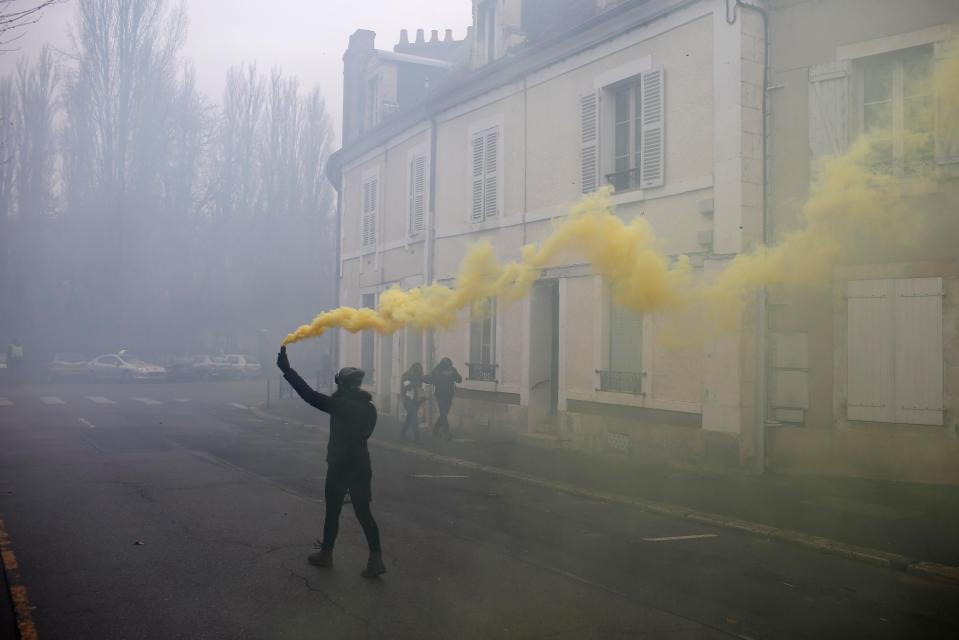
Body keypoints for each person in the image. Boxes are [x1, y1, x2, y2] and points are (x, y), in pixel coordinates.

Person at [276, 345, 385, 578]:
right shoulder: (370, 409)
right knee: (364, 513)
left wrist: (287, 370)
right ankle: (376, 558)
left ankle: (326, 554)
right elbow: (364, 435)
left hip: (339, 466)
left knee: (333, 511)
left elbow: (309, 395)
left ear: (342, 384)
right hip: (362, 466)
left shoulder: (340, 406)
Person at [424, 357, 462, 439]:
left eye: (449, 365)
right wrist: (440, 375)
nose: (449, 367)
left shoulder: (452, 370)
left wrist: (453, 374)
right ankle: (446, 432)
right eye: (447, 366)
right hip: (440, 395)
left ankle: (435, 430)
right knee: (443, 413)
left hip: (449, 395)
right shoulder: (437, 370)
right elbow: (430, 379)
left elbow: (459, 380)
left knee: (444, 413)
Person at [399, 362, 425, 443]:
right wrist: (415, 382)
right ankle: (417, 438)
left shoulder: (418, 377)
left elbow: (420, 388)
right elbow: (407, 387)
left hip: (416, 400)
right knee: (414, 418)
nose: (419, 373)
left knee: (409, 418)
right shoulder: (406, 375)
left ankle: (402, 433)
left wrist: (422, 396)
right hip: (408, 400)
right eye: (418, 371)